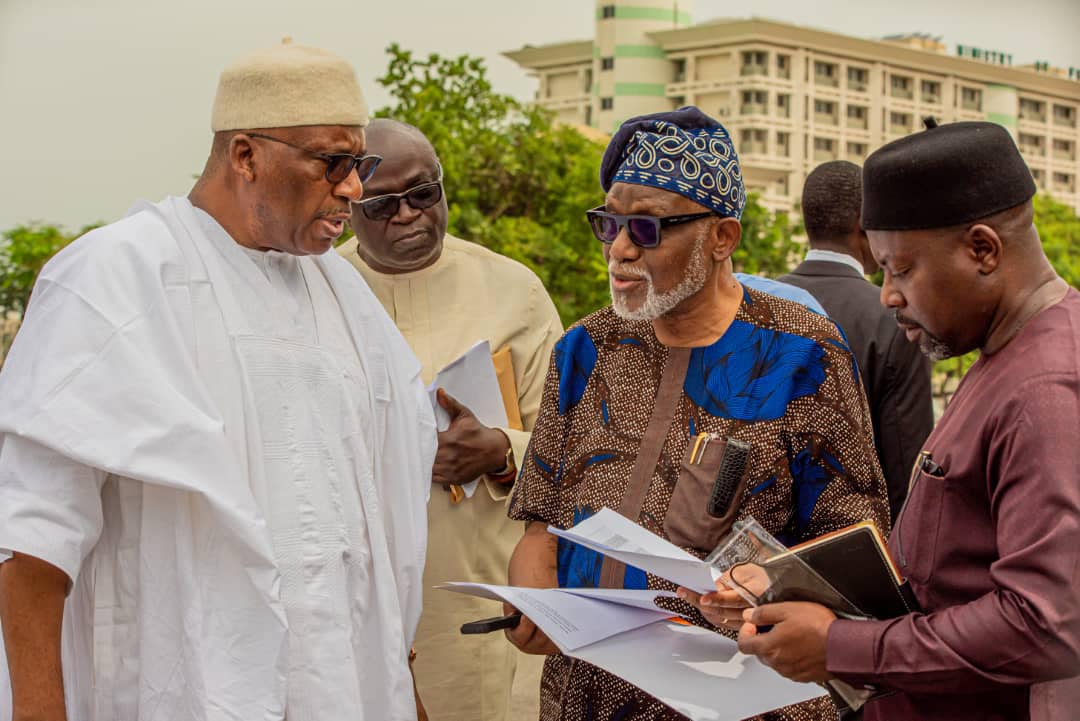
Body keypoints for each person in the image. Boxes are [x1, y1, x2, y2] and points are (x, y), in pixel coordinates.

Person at [0, 42, 436, 721]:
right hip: (179, 686)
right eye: (333, 162)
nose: (353, 187)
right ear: (245, 155)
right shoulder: (116, 277)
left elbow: (380, 533)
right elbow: (31, 535)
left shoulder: (345, 296)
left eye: (361, 164)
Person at [502, 107, 890, 721]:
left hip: (746, 699)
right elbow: (539, 524)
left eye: (648, 229)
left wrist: (757, 587)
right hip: (588, 695)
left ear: (721, 238)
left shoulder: (800, 353)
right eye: (609, 225)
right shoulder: (586, 348)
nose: (620, 250)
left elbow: (852, 540)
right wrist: (536, 605)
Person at [702, 120, 1080, 721]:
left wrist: (842, 648)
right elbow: (950, 568)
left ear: (983, 249)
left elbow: (1046, 622)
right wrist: (787, 585)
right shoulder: (1003, 351)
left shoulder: (1046, 387)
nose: (887, 297)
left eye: (901, 270)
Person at [340, 119, 563, 721]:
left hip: (483, 593)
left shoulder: (515, 290)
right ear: (349, 202)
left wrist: (500, 449)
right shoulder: (318, 290)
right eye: (383, 204)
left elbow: (571, 445)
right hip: (361, 603)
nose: (409, 214)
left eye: (424, 192)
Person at [780, 161, 934, 520]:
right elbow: (905, 463)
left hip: (755, 542)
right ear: (863, 224)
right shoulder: (894, 318)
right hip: (849, 542)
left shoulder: (755, 307)